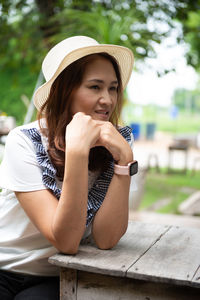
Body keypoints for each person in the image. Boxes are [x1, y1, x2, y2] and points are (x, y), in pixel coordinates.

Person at [0, 36, 137, 299]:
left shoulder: (117, 141)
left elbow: (105, 239)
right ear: (65, 90)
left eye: (113, 88)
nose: (107, 100)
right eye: (95, 87)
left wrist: (124, 162)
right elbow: (62, 237)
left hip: (59, 272)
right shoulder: (25, 141)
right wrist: (76, 151)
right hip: (5, 264)